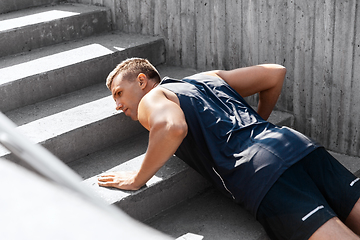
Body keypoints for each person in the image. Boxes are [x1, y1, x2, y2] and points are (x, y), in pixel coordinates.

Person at [97, 58, 360, 240]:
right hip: (293, 143)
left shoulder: (152, 98)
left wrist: (137, 179)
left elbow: (171, 127)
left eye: (119, 93)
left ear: (142, 81)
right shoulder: (206, 79)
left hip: (263, 175)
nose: (117, 105)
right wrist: (261, 122)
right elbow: (274, 73)